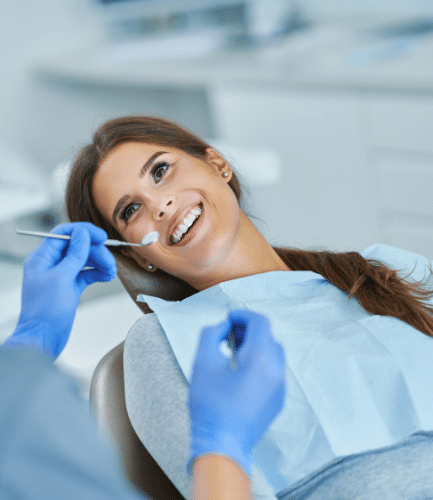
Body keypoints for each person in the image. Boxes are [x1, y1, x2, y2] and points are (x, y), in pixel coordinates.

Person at [0, 2, 286, 498]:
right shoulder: (153, 355)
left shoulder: (376, 274)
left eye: (161, 170)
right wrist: (222, 448)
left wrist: (32, 342)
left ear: (218, 164)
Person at [65, 115, 433, 499]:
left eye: (160, 171)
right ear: (141, 259)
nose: (160, 205)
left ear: (217, 165)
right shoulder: (162, 342)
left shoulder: (387, 271)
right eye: (131, 211)